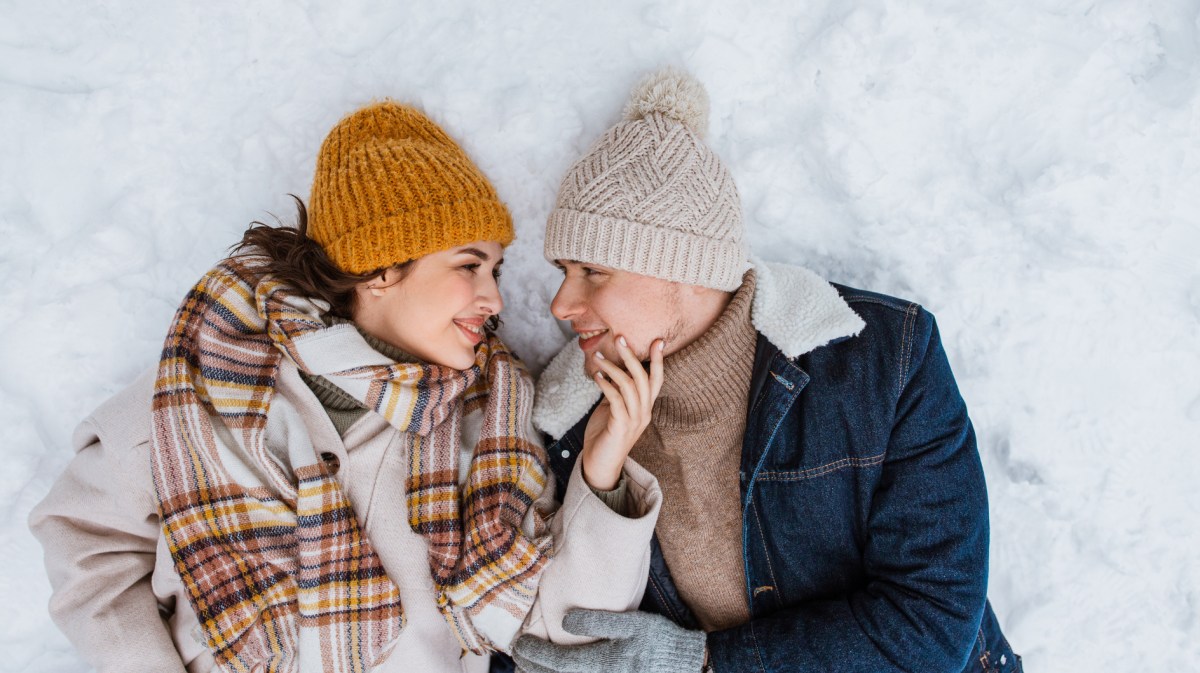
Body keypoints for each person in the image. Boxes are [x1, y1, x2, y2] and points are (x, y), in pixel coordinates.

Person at [29, 101, 666, 673]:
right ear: (381, 269)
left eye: (495, 269)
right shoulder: (205, 379)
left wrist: (602, 472)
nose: (493, 297)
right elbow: (88, 538)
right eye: (469, 265)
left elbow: (569, 632)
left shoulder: (491, 419)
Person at [510, 69, 1022, 673]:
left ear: (686, 269)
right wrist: (600, 486)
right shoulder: (565, 421)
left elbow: (929, 625)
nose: (560, 306)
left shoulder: (882, 361)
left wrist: (704, 662)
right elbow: (556, 638)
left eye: (592, 272)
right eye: (561, 271)